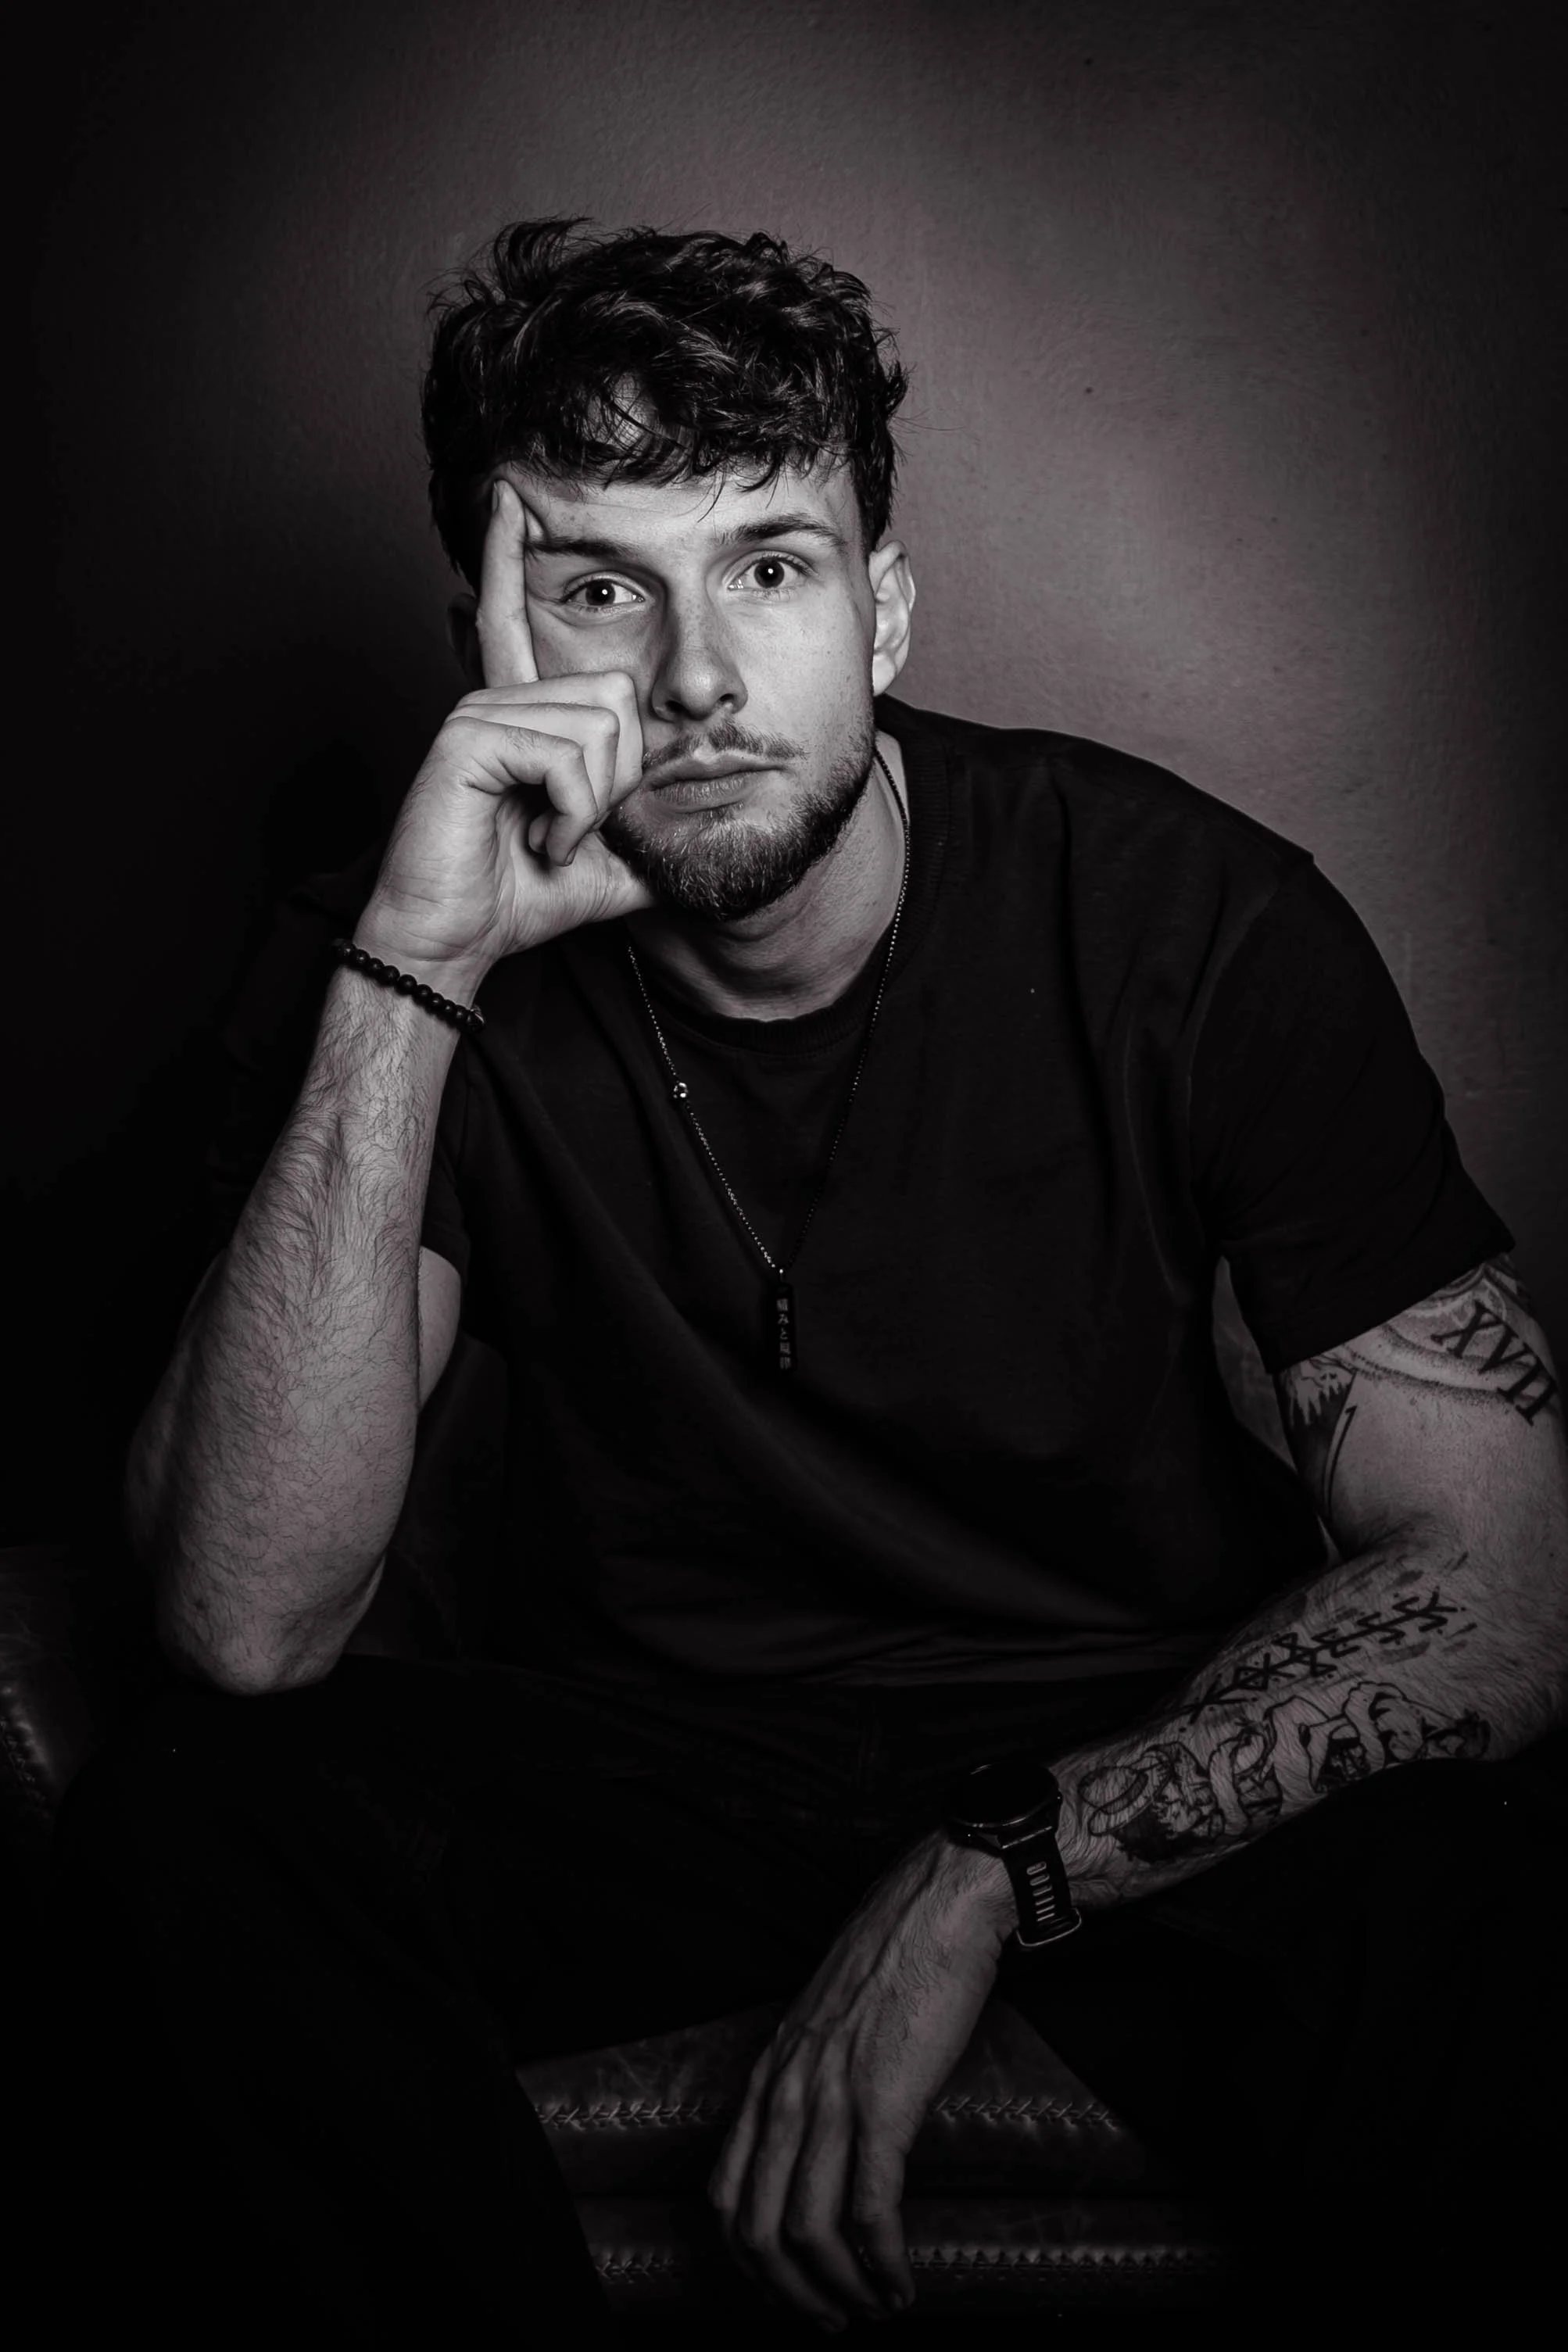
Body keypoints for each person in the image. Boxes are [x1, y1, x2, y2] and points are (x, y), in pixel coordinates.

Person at [52, 219, 1566, 2340]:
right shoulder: (394, 951)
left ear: (885, 609)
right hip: (659, 1774)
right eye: (598, 588)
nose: (687, 678)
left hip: (1108, 1741)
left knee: (1480, 1888)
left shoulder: (1189, 926)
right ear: (494, 634)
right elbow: (239, 1621)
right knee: (197, 1828)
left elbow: (1500, 1593)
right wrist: (418, 967)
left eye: (767, 567)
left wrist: (990, 1867)